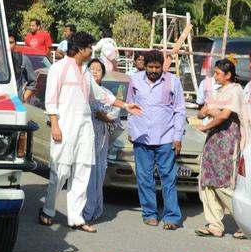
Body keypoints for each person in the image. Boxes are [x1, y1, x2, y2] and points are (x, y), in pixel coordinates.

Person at [38, 32, 141, 232]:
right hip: (65, 126)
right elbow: (50, 99)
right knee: (60, 171)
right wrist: (55, 125)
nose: (91, 51)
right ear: (79, 49)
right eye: (89, 47)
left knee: (83, 171)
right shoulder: (58, 69)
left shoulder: (85, 71)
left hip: (85, 127)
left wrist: (125, 105)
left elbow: (99, 95)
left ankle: (76, 217)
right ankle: (48, 211)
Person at [126, 50, 186, 230]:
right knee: (144, 178)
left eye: (157, 67)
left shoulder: (172, 81)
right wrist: (131, 129)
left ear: (162, 67)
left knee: (169, 178)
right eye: (150, 67)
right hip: (141, 137)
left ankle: (171, 217)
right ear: (144, 66)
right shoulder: (135, 80)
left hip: (166, 138)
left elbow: (180, 110)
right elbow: (130, 105)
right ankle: (150, 214)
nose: (153, 71)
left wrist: (177, 137)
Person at [194, 58, 251, 238]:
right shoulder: (219, 91)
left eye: (218, 73)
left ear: (228, 75)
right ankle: (214, 224)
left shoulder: (235, 91)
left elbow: (224, 115)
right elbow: (202, 110)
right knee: (207, 182)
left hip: (227, 142)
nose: (215, 76)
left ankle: (245, 221)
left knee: (223, 183)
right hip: (213, 141)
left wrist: (206, 121)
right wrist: (208, 112)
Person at [83, 58, 121, 224]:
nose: (94, 71)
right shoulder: (83, 91)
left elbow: (114, 113)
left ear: (103, 73)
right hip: (83, 138)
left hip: (100, 139)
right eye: (91, 68)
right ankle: (83, 210)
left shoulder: (106, 93)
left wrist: (103, 116)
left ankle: (94, 210)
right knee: (84, 174)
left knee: (98, 173)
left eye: (98, 69)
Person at [8, 33, 36, 102]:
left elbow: (33, 82)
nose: (8, 45)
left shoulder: (23, 59)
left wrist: (22, 99)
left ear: (15, 44)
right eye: (6, 42)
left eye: (11, 42)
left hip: (15, 103)